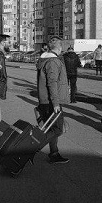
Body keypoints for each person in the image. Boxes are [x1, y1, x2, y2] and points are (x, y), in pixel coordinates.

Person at [37, 36, 70, 164]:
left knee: (52, 129)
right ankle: (33, 146)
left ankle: (54, 153)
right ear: (59, 47)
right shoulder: (53, 62)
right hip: (51, 102)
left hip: (46, 100)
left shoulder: (46, 59)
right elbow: (52, 83)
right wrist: (56, 103)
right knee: (58, 129)